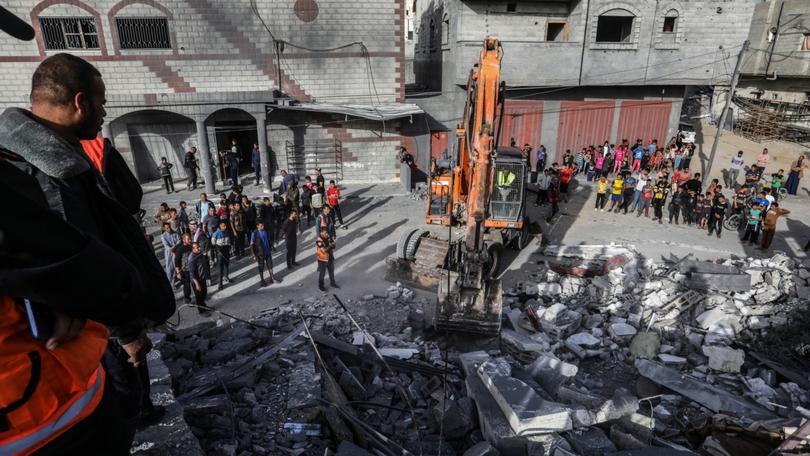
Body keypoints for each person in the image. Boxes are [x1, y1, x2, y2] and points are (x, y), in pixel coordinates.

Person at [0, 53, 175, 445]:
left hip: (74, 350)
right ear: (81, 102)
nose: (105, 110)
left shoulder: (50, 152)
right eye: (102, 101)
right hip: (77, 354)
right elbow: (77, 268)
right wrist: (127, 331)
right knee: (117, 412)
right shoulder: (47, 172)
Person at [251, 221, 277, 286]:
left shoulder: (265, 231)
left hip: (267, 251)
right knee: (261, 266)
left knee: (270, 265)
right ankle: (262, 280)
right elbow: (251, 244)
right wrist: (253, 254)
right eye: (261, 226)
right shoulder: (254, 233)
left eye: (263, 225)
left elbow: (268, 240)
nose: (263, 227)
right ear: (257, 226)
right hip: (260, 253)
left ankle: (272, 278)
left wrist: (272, 247)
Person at [188, 242, 210, 314]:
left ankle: (204, 306)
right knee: (199, 296)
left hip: (202, 278)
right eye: (197, 247)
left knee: (204, 294)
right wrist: (197, 284)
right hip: (196, 280)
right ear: (193, 249)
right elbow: (192, 273)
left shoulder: (200, 254)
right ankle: (202, 311)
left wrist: (206, 256)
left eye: (199, 247)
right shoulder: (191, 258)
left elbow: (205, 264)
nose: (199, 248)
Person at [211, 221, 233, 288]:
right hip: (220, 252)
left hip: (226, 250)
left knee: (226, 264)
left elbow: (229, 241)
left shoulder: (227, 232)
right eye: (223, 226)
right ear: (220, 226)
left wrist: (230, 248)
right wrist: (218, 250)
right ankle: (220, 283)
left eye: (225, 226)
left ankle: (226, 277)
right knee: (220, 267)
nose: (225, 227)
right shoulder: (216, 233)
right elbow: (213, 243)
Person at [174, 233, 193, 303]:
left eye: (190, 239)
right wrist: (178, 272)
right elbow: (177, 261)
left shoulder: (191, 246)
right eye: (188, 239)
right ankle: (187, 299)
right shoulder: (180, 249)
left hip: (192, 268)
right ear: (184, 240)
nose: (190, 240)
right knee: (187, 285)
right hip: (185, 270)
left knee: (194, 283)